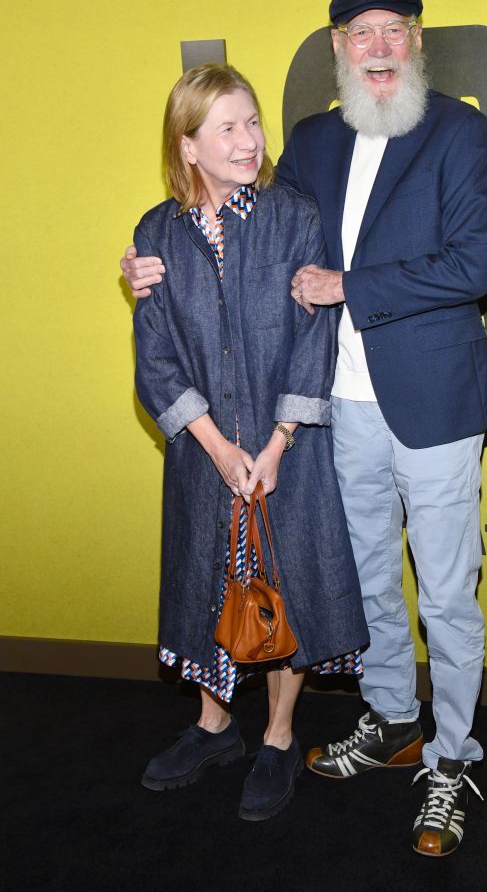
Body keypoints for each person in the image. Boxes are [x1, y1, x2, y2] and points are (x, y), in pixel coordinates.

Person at [122, 0, 487, 857]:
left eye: (394, 30)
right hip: (339, 410)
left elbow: (470, 268)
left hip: (435, 403)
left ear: (416, 41)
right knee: (367, 580)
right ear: (337, 47)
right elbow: (243, 227)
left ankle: (451, 761)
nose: (378, 47)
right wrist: (143, 269)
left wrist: (347, 285)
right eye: (359, 33)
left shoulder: (460, 131)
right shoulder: (312, 141)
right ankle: (393, 719)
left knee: (446, 595)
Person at [130, 62, 368, 823]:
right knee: (206, 580)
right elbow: (155, 353)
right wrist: (215, 446)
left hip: (283, 450)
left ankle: (277, 735)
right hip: (204, 453)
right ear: (188, 145)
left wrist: (274, 444)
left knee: (285, 581)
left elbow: (313, 335)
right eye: (226, 127)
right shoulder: (154, 234)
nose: (248, 139)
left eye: (253, 122)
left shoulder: (293, 216)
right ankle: (212, 725)